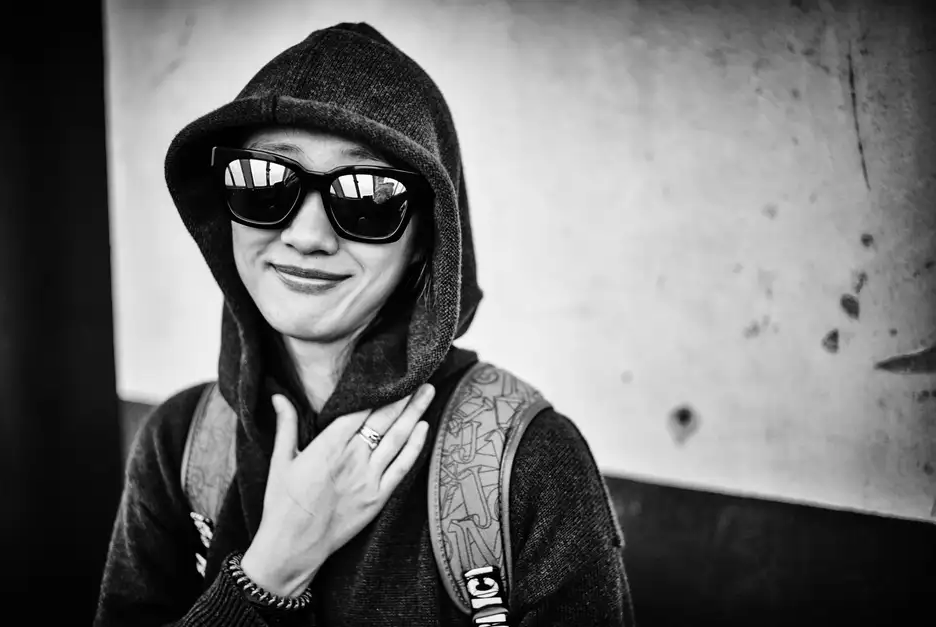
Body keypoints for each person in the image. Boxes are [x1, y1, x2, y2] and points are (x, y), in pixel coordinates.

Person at [94, 22, 635, 626]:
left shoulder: (524, 461)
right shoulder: (179, 447)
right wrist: (270, 573)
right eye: (265, 180)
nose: (307, 236)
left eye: (367, 196)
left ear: (427, 236)